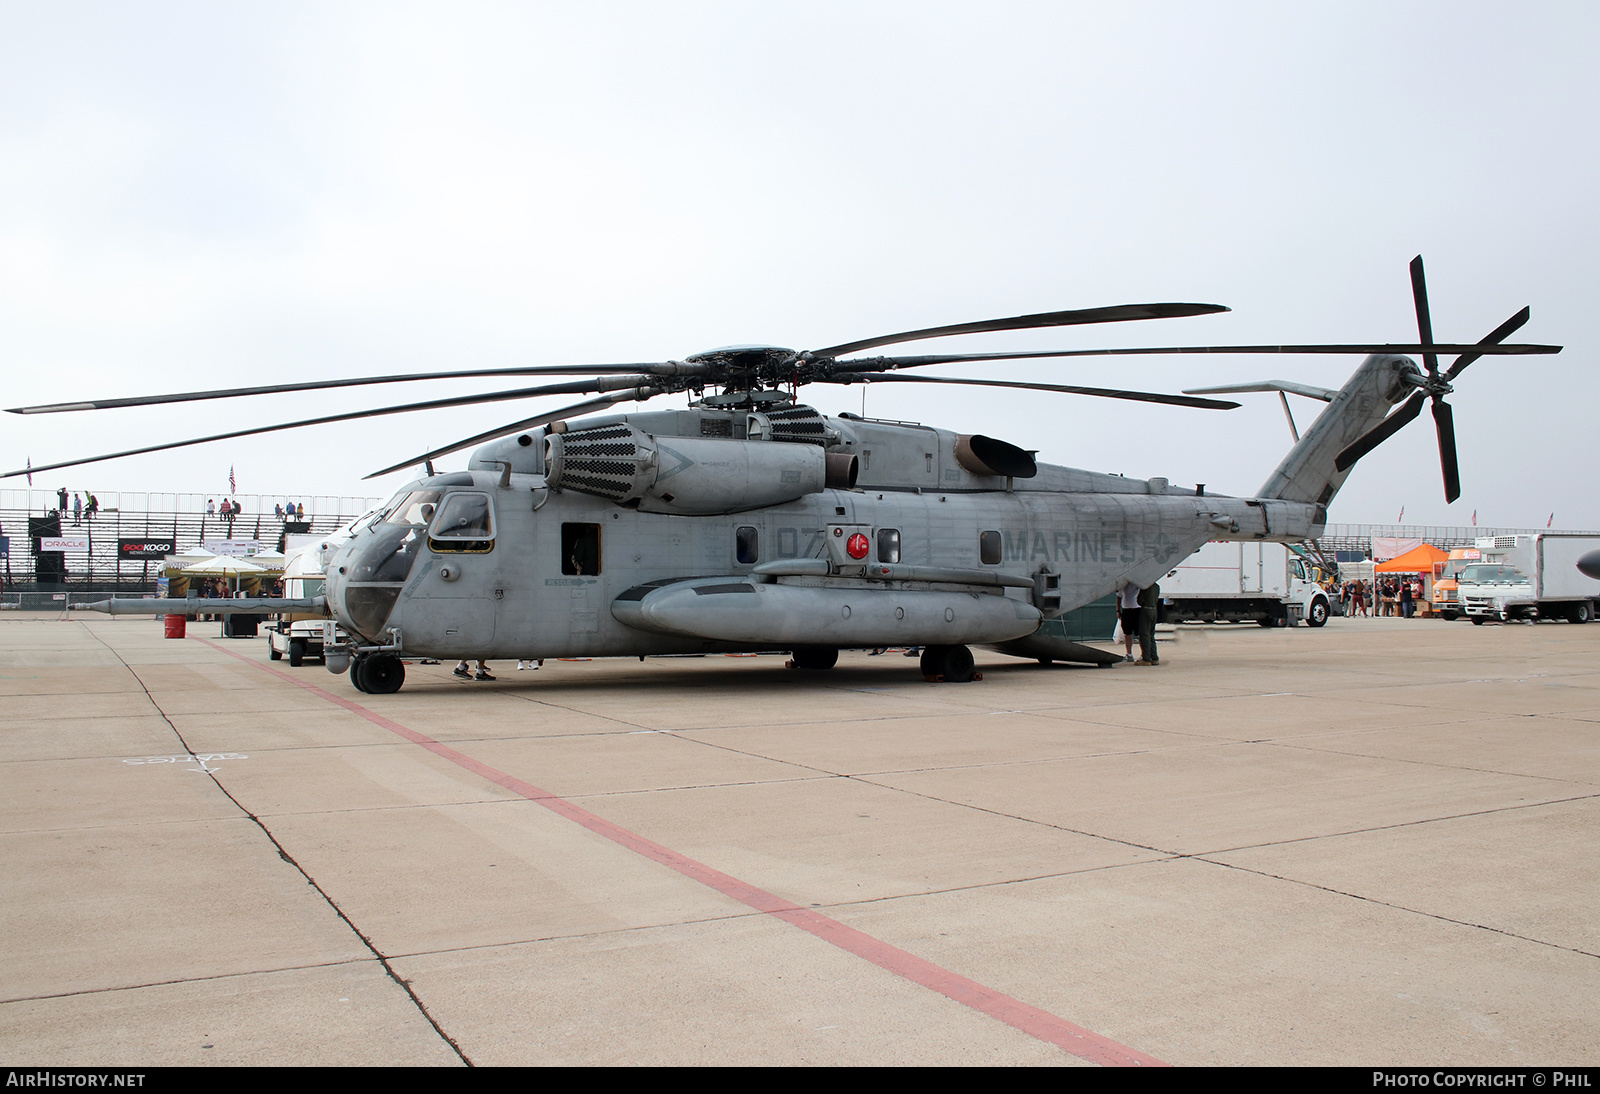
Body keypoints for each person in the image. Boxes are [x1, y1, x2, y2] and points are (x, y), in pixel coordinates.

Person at [1135, 581, 1161, 665]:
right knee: (1151, 634)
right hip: (1154, 609)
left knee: (1144, 634)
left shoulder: (1145, 586)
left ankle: (1146, 658)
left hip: (1146, 610)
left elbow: (1140, 600)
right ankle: (1154, 657)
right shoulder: (1157, 586)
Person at [1117, 580, 1140, 663]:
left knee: (1140, 633)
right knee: (1127, 633)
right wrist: (1118, 610)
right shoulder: (1123, 586)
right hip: (1126, 610)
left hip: (1137, 609)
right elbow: (1119, 597)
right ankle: (1129, 654)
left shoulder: (1139, 584)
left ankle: (1143, 654)